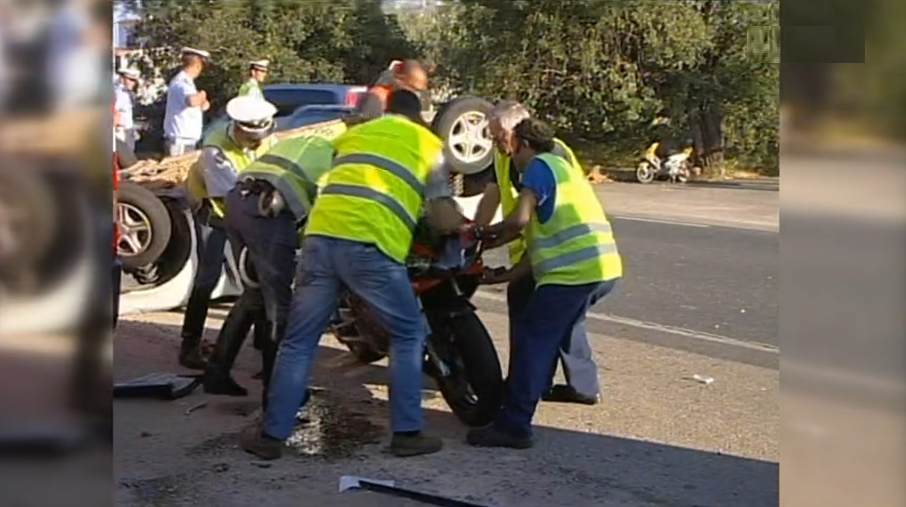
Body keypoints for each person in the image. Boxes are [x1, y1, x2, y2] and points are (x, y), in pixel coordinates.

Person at [240, 90, 466, 460]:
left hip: (320, 239)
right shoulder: (428, 144)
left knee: (299, 341)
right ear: (421, 116)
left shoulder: (354, 135)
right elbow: (440, 213)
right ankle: (408, 433)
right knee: (408, 333)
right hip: (370, 246)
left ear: (388, 112)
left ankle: (271, 436)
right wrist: (456, 226)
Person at [467, 118, 623, 449]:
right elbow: (537, 247)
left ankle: (514, 425)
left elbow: (518, 221)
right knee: (553, 330)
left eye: (512, 148)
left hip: (573, 275)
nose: (511, 156)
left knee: (532, 344)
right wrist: (498, 276)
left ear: (522, 144)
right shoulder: (562, 167)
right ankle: (572, 388)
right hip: (602, 269)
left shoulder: (537, 166)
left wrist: (482, 235)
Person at [474, 100, 602, 405]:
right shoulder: (506, 155)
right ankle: (581, 387)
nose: (498, 144)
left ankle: (525, 387)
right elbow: (492, 196)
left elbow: (524, 216)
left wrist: (489, 237)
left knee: (531, 321)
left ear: (519, 133)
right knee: (565, 317)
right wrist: (476, 232)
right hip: (544, 250)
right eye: (492, 137)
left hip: (553, 251)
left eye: (500, 137)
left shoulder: (547, 156)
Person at [203, 133, 335, 400]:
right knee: (279, 305)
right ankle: (278, 394)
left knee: (254, 294)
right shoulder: (336, 159)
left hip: (238, 201)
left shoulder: (306, 142)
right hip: (267, 211)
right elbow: (323, 211)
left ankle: (217, 372)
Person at [178, 96, 278, 370]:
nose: (258, 142)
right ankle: (189, 345)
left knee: (258, 278)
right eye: (253, 138)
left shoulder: (268, 139)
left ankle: (263, 345)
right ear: (239, 129)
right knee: (207, 278)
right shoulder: (215, 149)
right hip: (216, 212)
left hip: (251, 210)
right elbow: (227, 197)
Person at [163, 47, 212, 157]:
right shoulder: (182, 83)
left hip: (186, 141)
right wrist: (202, 94)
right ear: (198, 65)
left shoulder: (188, 83)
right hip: (181, 142)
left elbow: (199, 105)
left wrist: (202, 102)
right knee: (178, 173)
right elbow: (192, 101)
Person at [356, 59, 428, 120]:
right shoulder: (378, 96)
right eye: (412, 88)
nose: (415, 93)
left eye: (419, 91)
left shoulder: (410, 104)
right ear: (398, 79)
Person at [114, 68, 140, 151]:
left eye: (134, 80)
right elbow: (114, 110)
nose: (133, 83)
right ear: (123, 79)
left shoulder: (127, 93)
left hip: (128, 130)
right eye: (131, 80)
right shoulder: (119, 93)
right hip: (120, 131)